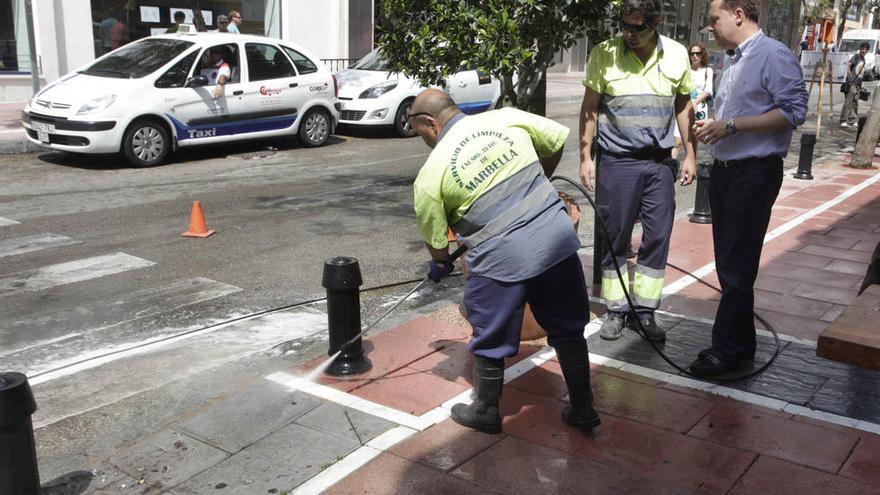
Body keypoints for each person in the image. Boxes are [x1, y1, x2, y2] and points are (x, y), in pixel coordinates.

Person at [409, 88, 600, 435]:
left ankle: (485, 410)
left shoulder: (430, 175)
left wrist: (440, 264)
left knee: (491, 331)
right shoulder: (507, 118)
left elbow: (438, 244)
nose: (419, 138)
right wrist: (539, 179)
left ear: (430, 123)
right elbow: (556, 139)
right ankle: (583, 408)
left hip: (500, 259)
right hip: (554, 239)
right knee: (568, 325)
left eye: (417, 130)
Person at [690, 0, 807, 377]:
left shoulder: (773, 55)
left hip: (753, 174)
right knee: (731, 265)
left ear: (738, 15)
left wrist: (733, 126)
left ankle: (724, 349)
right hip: (727, 172)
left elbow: (793, 111)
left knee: (736, 268)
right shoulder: (733, 58)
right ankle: (742, 343)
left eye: (714, 20)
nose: (710, 28)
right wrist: (715, 127)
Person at [579, 0, 696, 342]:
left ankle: (644, 311)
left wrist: (691, 154)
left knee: (658, 235)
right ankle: (616, 310)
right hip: (617, 162)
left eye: (638, 27)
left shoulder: (676, 54)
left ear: (657, 21)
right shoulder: (604, 53)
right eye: (625, 26)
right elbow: (589, 107)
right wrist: (586, 157)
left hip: (659, 162)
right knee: (614, 236)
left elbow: (683, 105)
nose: (630, 34)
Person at [673, 43, 714, 158]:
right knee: (678, 141)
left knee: (694, 141)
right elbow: (681, 89)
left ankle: (692, 171)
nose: (695, 56)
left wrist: (695, 103)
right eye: (692, 54)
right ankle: (671, 169)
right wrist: (690, 103)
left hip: (700, 108)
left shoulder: (708, 71)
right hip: (685, 106)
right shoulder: (686, 70)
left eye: (698, 53)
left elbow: (708, 90)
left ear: (703, 55)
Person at [840, 41, 869, 127]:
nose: (864, 51)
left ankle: (853, 119)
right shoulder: (856, 57)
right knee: (849, 101)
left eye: (866, 49)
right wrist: (849, 73)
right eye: (862, 49)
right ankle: (843, 120)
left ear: (867, 50)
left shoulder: (863, 59)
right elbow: (849, 64)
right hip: (851, 82)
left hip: (858, 84)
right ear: (860, 49)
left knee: (855, 102)